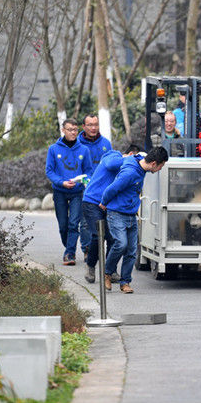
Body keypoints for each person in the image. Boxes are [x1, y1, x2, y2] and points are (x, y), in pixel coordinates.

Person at [100, 146, 169, 293]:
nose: (160, 170)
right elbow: (112, 189)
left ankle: (125, 282)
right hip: (116, 213)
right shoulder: (130, 173)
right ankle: (107, 273)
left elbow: (136, 157)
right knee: (121, 244)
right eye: (161, 166)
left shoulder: (139, 162)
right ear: (154, 164)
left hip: (131, 214)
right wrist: (104, 203)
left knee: (132, 251)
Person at [81, 143, 141, 287]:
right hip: (93, 201)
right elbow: (110, 164)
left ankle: (110, 271)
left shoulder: (129, 170)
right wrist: (131, 160)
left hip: (109, 205)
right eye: (136, 159)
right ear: (131, 155)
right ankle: (90, 266)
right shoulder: (113, 155)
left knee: (114, 238)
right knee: (98, 234)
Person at [45, 118, 93, 265]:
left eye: (75, 130)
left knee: (74, 223)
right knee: (63, 226)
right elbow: (49, 171)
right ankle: (69, 246)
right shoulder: (53, 149)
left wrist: (85, 181)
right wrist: (61, 182)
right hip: (59, 191)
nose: (73, 132)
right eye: (70, 130)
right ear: (63, 130)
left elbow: (88, 171)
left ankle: (70, 253)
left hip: (77, 192)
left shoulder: (84, 150)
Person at [78, 113, 113, 256]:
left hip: (102, 189)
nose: (93, 128)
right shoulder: (78, 144)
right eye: (90, 125)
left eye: (96, 125)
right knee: (85, 222)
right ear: (84, 126)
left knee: (105, 221)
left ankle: (100, 249)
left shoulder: (106, 143)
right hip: (83, 188)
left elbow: (111, 164)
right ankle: (87, 249)